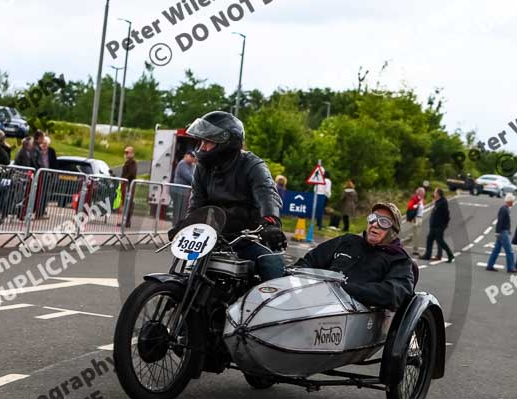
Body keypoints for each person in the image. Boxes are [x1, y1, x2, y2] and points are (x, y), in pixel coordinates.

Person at [179, 111, 286, 281]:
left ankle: (276, 306)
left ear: (226, 143)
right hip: (213, 237)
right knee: (188, 270)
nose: (202, 147)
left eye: (208, 142)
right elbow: (197, 203)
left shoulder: (253, 165)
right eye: (201, 141)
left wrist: (271, 222)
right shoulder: (202, 168)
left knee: (271, 264)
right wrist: (186, 224)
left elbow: (267, 194)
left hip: (249, 237)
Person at [294, 203, 415, 311]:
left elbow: (394, 294)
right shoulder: (347, 241)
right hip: (316, 299)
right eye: (373, 218)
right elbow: (309, 260)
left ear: (393, 231)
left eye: (384, 222)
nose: (375, 224)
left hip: (354, 313)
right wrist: (296, 275)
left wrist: (346, 288)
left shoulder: (399, 259)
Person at [486, 193, 517, 272]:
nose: (513, 203)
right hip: (503, 232)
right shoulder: (504, 209)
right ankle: (510, 267)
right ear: (509, 201)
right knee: (509, 250)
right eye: (512, 201)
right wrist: (498, 232)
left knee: (496, 249)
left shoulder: (505, 208)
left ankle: (490, 265)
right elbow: (500, 221)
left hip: (502, 231)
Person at [422, 188, 454, 263]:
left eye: (435, 192)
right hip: (434, 225)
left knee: (440, 241)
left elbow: (446, 214)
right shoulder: (438, 201)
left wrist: (445, 224)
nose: (434, 194)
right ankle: (427, 255)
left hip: (439, 226)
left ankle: (450, 255)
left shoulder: (443, 202)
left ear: (438, 194)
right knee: (429, 239)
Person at [171, 149, 195, 225]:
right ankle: (175, 226)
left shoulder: (191, 165)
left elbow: (193, 176)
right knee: (178, 211)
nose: (193, 158)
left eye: (193, 157)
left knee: (183, 211)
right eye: (191, 156)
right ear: (186, 156)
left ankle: (179, 225)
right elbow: (189, 178)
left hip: (184, 192)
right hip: (179, 191)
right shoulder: (182, 164)